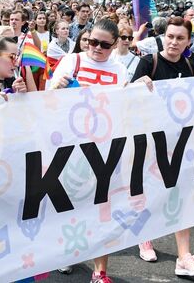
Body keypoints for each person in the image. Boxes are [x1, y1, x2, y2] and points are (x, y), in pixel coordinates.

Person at [130, 17, 194, 276]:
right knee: (149, 190)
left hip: (181, 142)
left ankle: (184, 256)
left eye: (180, 38)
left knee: (182, 194)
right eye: (170, 36)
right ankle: (145, 237)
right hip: (150, 141)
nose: (173, 42)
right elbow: (128, 97)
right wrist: (137, 85)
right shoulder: (148, 62)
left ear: (189, 41)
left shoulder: (192, 65)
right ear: (163, 37)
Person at [49, 19, 128, 282]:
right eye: (93, 42)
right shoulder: (72, 61)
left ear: (114, 45)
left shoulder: (119, 69)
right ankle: (66, 252)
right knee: (68, 203)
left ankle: (100, 271)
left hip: (104, 146)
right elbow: (47, 100)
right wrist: (56, 87)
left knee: (102, 207)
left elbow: (124, 107)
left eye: (104, 45)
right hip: (70, 145)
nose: (97, 48)